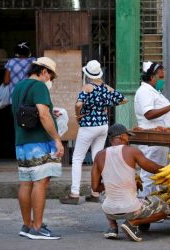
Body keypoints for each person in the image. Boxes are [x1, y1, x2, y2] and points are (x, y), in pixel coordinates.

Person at [60, 60, 128, 205]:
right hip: (103, 126)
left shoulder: (88, 87)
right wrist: (106, 105)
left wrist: (78, 115)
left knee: (78, 158)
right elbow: (124, 99)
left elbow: (78, 104)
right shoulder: (106, 88)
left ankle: (74, 193)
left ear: (87, 74)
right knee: (97, 159)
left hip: (88, 126)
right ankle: (95, 192)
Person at [11, 57, 64, 240]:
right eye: (50, 76)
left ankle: (27, 225)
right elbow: (42, 114)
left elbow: (27, 112)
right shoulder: (40, 86)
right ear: (44, 71)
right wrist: (57, 139)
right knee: (41, 182)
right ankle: (38, 227)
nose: (50, 80)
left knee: (26, 183)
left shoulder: (18, 87)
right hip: (39, 142)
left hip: (22, 142)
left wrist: (50, 113)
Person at [91, 123, 170, 242]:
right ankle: (132, 223)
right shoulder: (132, 151)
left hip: (110, 211)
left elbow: (95, 187)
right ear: (122, 136)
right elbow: (153, 168)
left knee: (105, 193)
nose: (128, 139)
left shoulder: (99, 155)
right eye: (128, 136)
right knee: (165, 209)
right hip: (132, 210)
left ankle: (112, 227)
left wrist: (114, 183)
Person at [134, 61, 170, 197]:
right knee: (149, 175)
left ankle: (155, 206)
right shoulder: (144, 92)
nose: (163, 80)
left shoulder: (155, 92)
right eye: (161, 77)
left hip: (160, 139)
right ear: (152, 77)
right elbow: (149, 114)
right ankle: (144, 205)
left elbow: (160, 112)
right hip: (152, 140)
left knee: (158, 174)